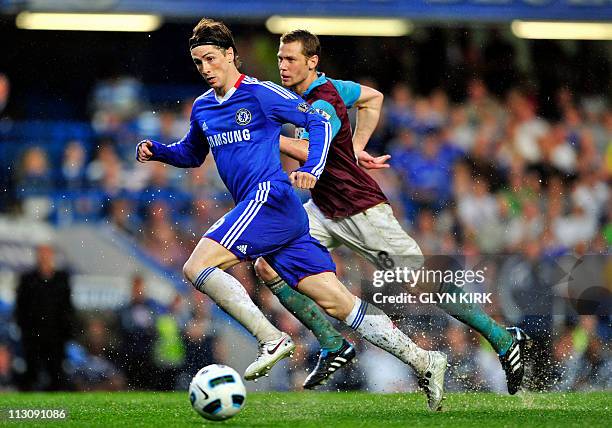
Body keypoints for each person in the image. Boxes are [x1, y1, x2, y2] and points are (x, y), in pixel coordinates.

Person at [136, 18, 447, 411]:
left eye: (211, 59)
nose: (205, 69)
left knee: (196, 266)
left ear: (231, 55)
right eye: (198, 63)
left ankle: (271, 338)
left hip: (270, 198)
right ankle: (424, 359)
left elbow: (317, 120)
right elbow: (193, 153)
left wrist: (314, 168)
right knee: (338, 303)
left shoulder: (261, 94)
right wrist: (158, 151)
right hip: (271, 213)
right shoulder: (202, 107)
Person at [253, 29, 530, 395]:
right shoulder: (327, 88)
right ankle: (333, 344)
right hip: (324, 207)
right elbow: (372, 98)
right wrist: (355, 149)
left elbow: (311, 151)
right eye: (280, 58)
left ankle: (503, 337)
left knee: (423, 282)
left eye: (290, 59)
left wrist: (266, 138)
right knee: (267, 262)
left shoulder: (322, 101)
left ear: (312, 61)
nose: (283, 65)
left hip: (360, 210)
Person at [15, 244, 75, 390]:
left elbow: (67, 308)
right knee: (31, 372)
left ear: (52, 256)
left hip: (56, 336)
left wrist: (67, 332)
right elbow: (21, 308)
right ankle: (26, 408)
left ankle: (56, 408)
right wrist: (25, 330)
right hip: (33, 336)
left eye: (47, 254)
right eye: (41, 254)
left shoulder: (62, 279)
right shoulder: (28, 279)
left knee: (56, 373)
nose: (44, 258)